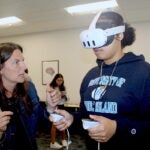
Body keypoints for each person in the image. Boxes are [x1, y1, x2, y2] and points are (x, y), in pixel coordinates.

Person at [47, 10, 150, 150]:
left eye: (101, 35)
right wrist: (72, 119)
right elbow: (87, 117)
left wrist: (117, 127)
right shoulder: (91, 75)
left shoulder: (143, 72)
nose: (95, 44)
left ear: (120, 34)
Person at [0, 42, 61, 150]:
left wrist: (50, 108)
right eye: (16, 62)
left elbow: (42, 126)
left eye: (23, 61)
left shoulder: (29, 89)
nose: (24, 67)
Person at [49, 73, 69, 149]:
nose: (60, 82)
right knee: (54, 125)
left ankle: (63, 140)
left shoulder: (63, 87)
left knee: (63, 123)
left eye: (61, 80)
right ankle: (52, 143)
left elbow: (64, 98)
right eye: (58, 80)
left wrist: (64, 97)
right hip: (54, 107)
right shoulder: (52, 87)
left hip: (62, 106)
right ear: (55, 80)